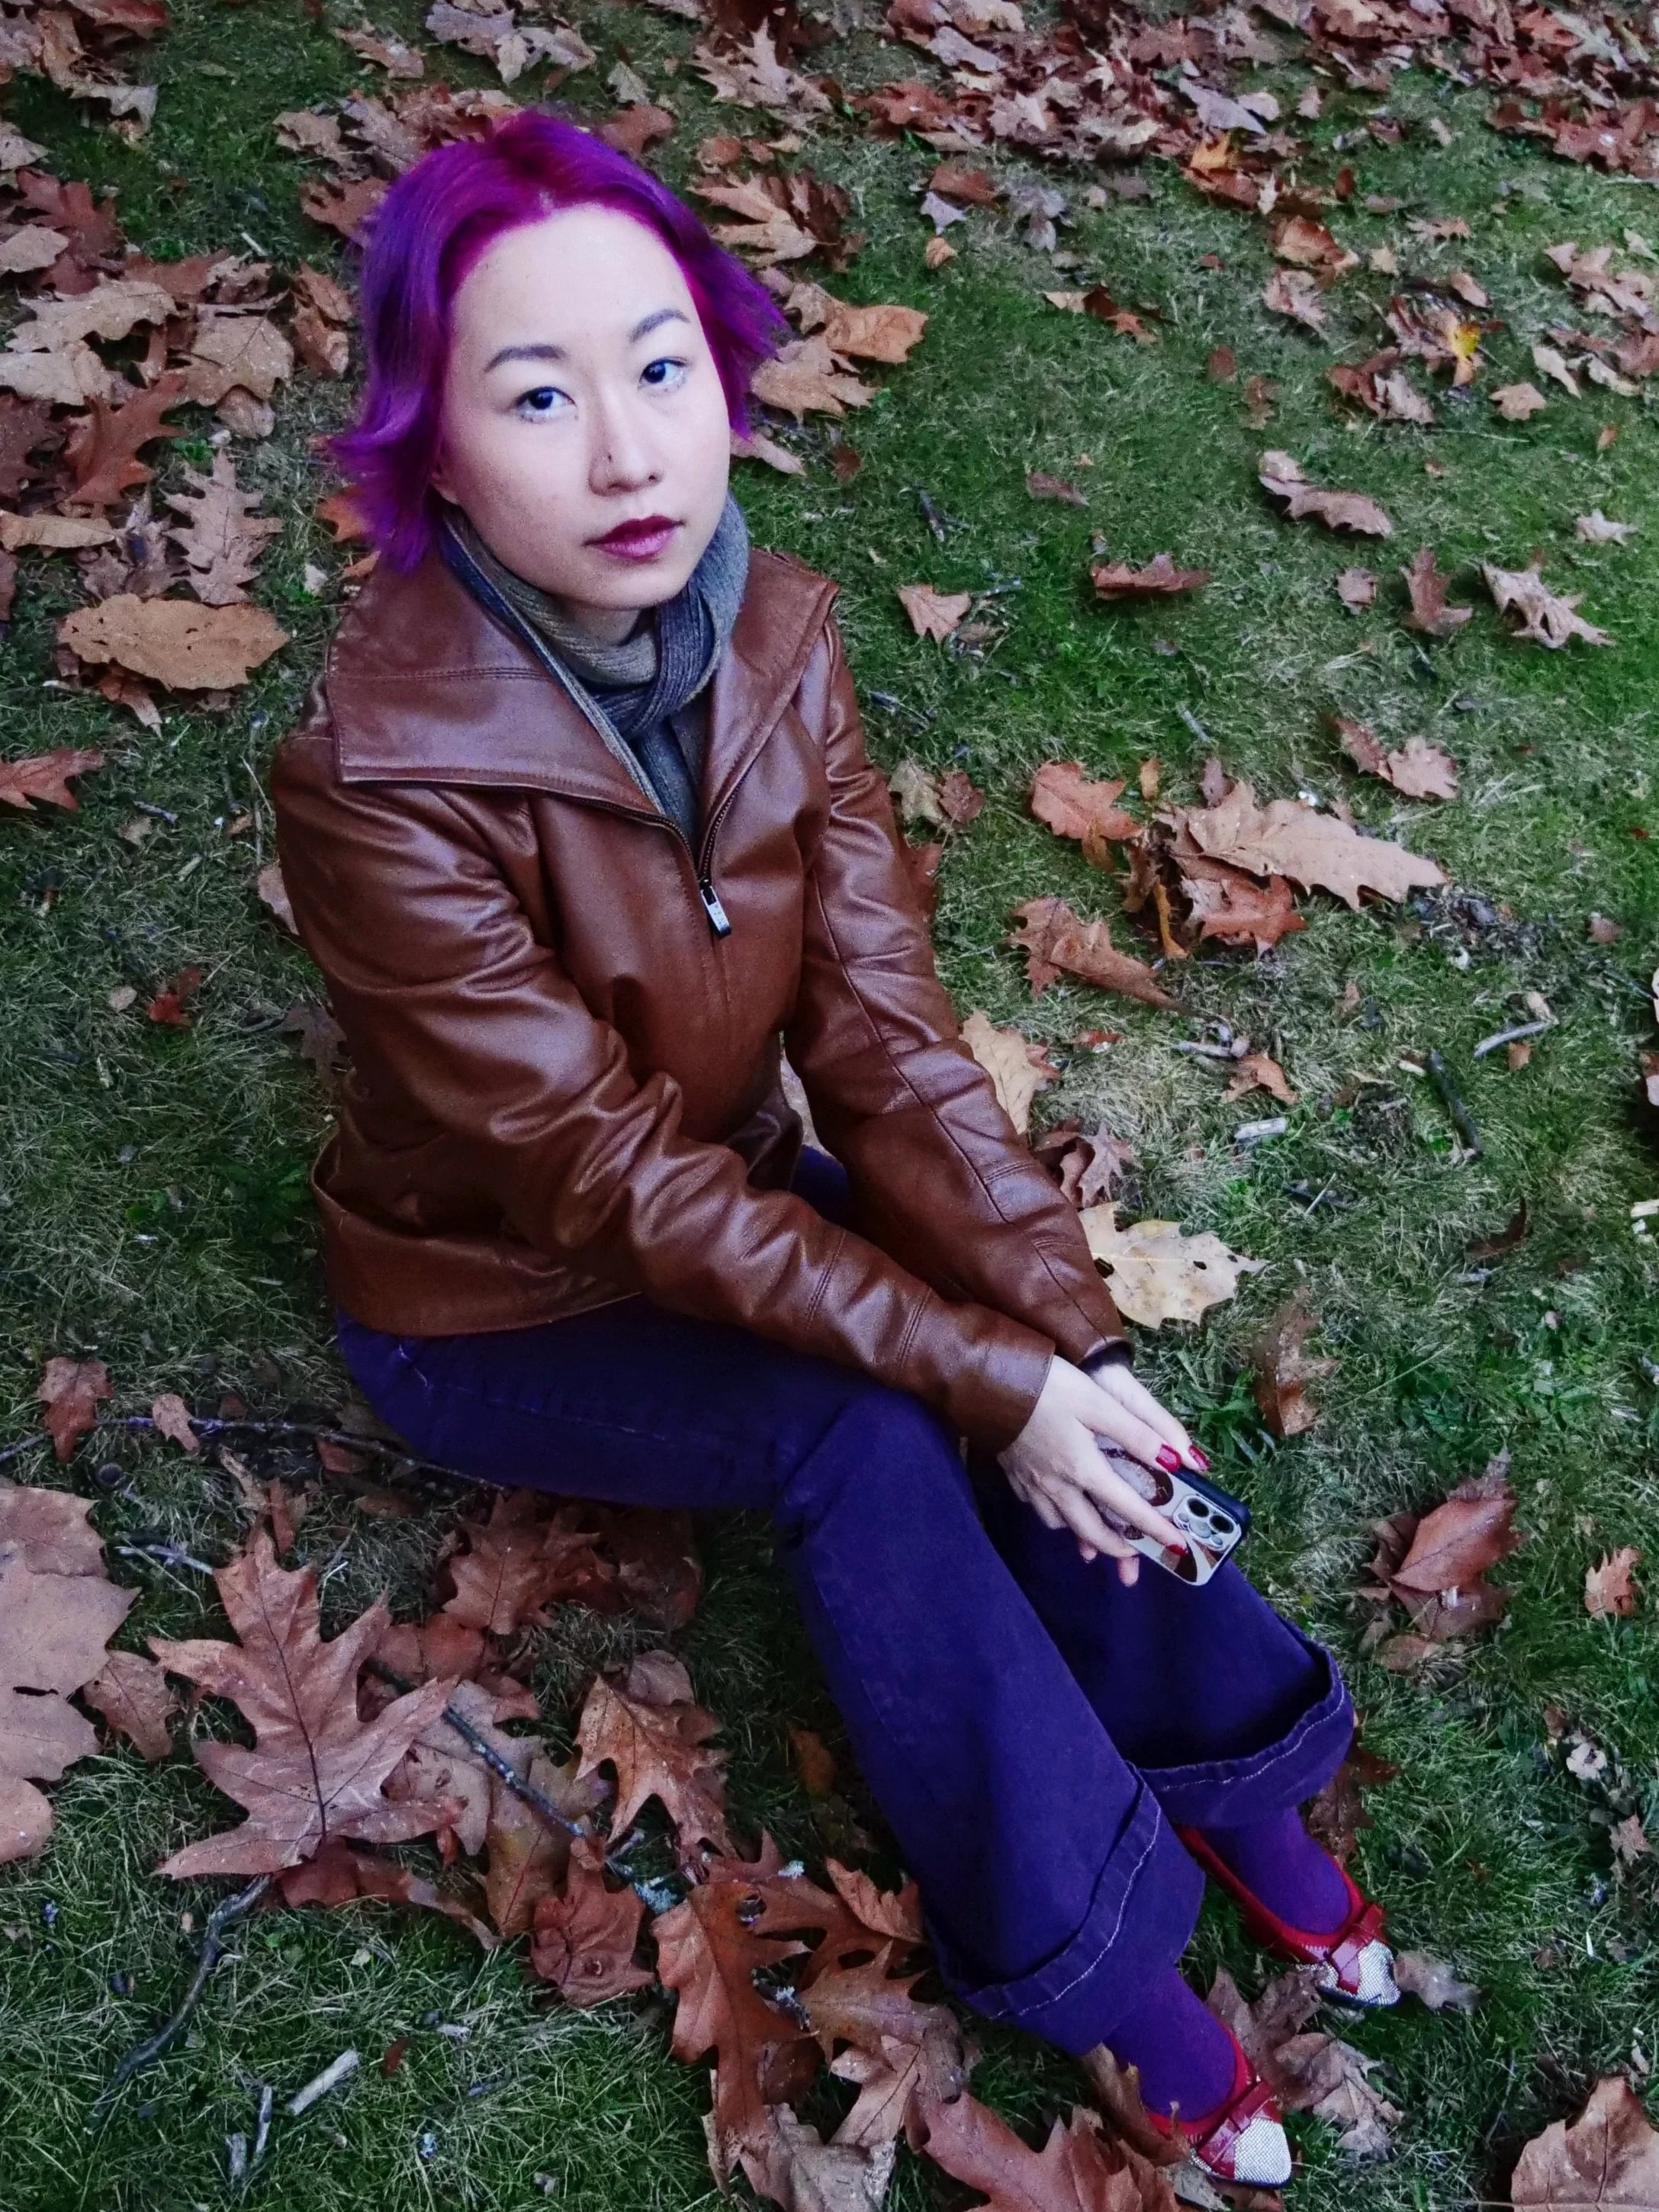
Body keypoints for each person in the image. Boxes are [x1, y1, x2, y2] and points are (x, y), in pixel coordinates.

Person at [269, 109, 1397, 2189]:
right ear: (435, 447)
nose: (630, 452)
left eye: (661, 365)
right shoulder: (374, 769)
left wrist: (1064, 1339)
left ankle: (1231, 1759)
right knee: (873, 1427)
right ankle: (1093, 1946)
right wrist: (985, 1383)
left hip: (720, 1200)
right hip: (499, 1290)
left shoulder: (776, 637)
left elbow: (884, 1043)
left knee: (1001, 1338)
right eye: (538, 394)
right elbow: (605, 1180)